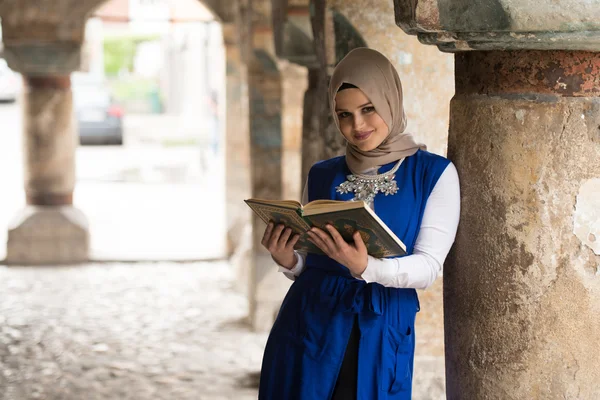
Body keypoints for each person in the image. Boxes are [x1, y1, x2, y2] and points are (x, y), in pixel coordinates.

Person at [258, 47, 460, 400]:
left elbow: (428, 267)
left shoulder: (433, 173)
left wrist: (367, 267)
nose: (358, 126)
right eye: (345, 115)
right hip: (309, 323)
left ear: (390, 100)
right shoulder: (322, 173)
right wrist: (287, 259)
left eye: (368, 109)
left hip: (381, 325)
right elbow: (310, 258)